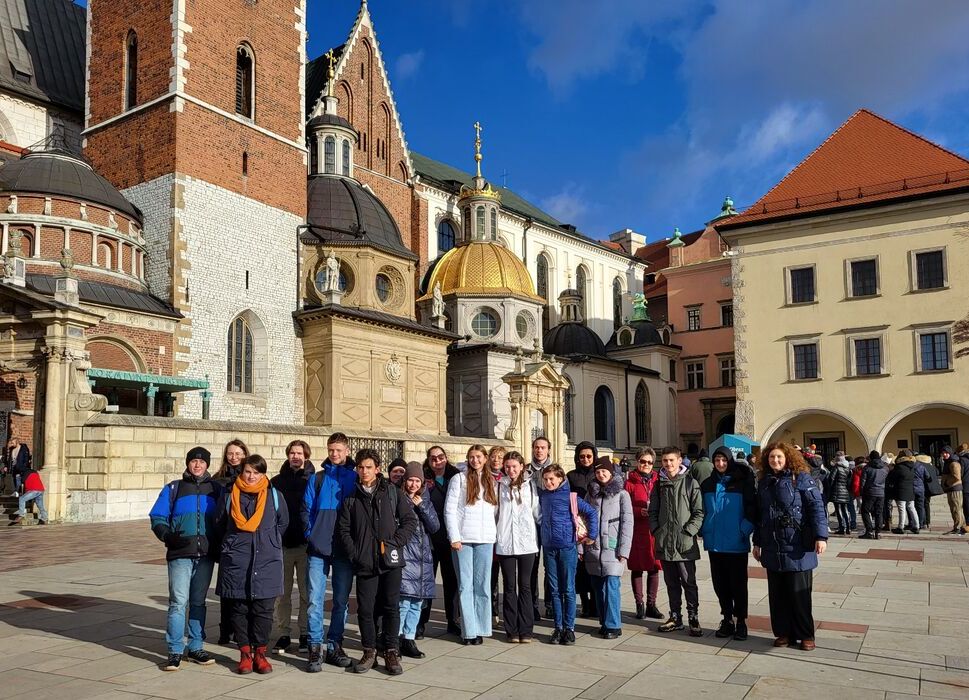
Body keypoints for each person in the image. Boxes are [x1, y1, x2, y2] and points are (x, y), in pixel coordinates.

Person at [337, 449, 417, 675]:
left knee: (391, 606)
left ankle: (391, 651)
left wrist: (395, 543)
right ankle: (369, 651)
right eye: (361, 467)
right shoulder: (351, 497)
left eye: (369, 467)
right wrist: (355, 553)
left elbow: (409, 521)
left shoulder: (391, 492)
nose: (364, 471)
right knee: (366, 609)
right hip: (365, 562)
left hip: (390, 561)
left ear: (377, 469)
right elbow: (344, 530)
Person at [149, 447, 222, 671]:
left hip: (205, 555)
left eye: (202, 462)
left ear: (207, 464)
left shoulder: (215, 489)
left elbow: (223, 518)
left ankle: (196, 646)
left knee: (198, 602)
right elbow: (157, 516)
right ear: (188, 463)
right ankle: (175, 650)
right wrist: (167, 535)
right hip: (180, 553)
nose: (197, 465)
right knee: (178, 602)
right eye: (193, 461)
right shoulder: (174, 488)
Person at [753, 442, 828, 652]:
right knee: (777, 595)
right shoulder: (764, 482)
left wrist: (821, 536)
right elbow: (761, 516)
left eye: (779, 457)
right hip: (773, 545)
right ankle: (783, 632)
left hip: (797, 546)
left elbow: (816, 507)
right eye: (771, 457)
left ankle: (805, 634)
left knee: (799, 594)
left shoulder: (801, 478)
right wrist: (757, 542)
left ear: (788, 458)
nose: (775, 460)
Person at [217, 454, 288, 674]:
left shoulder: (274, 495)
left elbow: (282, 523)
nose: (251, 476)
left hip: (267, 561)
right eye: (247, 471)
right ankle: (245, 653)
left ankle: (260, 653)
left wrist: (268, 542)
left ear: (263, 474)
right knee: (239, 609)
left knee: (263, 610)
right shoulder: (229, 495)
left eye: (256, 472)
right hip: (237, 560)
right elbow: (219, 524)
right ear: (241, 472)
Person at [301, 433, 358, 672]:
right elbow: (306, 509)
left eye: (338, 450)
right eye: (331, 450)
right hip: (318, 548)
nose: (334, 454)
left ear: (347, 451)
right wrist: (311, 535)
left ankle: (335, 644)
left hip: (344, 549)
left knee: (340, 601)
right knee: (315, 600)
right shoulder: (318, 478)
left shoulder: (355, 478)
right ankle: (315, 646)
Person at [699, 448, 756, 641]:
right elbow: (701, 509)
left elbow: (752, 508)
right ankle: (727, 618)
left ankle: (741, 621)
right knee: (720, 584)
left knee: (738, 584)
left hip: (736, 542)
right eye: (717, 460)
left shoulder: (742, 481)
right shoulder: (707, 483)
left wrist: (744, 529)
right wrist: (704, 528)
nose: (720, 463)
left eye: (724, 460)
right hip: (715, 542)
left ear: (729, 461)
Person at [538, 463, 598, 645]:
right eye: (545, 479)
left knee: (568, 589)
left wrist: (592, 535)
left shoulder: (570, 497)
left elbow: (591, 512)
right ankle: (558, 627)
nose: (548, 483)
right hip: (549, 548)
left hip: (567, 547)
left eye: (551, 479)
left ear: (561, 479)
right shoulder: (543, 496)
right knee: (554, 589)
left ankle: (569, 628)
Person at [445, 444, 498, 645]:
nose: (475, 460)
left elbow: (494, 510)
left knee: (482, 585)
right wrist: (454, 537)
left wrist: (492, 534)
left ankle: (481, 628)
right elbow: (450, 510)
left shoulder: (491, 480)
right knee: (465, 585)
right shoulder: (459, 479)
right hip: (464, 539)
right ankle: (468, 631)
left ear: (485, 458)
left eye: (478, 457)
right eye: (472, 457)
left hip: (485, 539)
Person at [649, 446, 704, 637]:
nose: (668, 464)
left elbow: (699, 512)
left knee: (689, 582)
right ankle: (675, 617)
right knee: (671, 583)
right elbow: (653, 511)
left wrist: (689, 532)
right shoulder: (659, 484)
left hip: (684, 543)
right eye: (665, 460)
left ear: (679, 461)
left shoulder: (690, 483)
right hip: (665, 542)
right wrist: (656, 530)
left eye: (671, 460)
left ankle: (693, 617)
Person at [270, 440, 315, 654]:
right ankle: (284, 633)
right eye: (292, 453)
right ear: (288, 455)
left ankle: (305, 632)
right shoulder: (276, 482)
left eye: (299, 453)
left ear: (306, 456)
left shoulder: (313, 480)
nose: (296, 457)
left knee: (307, 593)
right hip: (283, 545)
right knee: (283, 593)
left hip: (306, 545)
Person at [584, 457, 633, 639]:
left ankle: (613, 625)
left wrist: (624, 550)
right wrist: (581, 548)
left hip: (613, 547)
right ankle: (604, 622)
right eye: (597, 472)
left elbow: (627, 523)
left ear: (611, 472)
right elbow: (582, 521)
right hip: (594, 548)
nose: (601, 474)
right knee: (598, 587)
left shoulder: (622, 494)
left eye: (604, 471)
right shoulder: (591, 494)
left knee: (611, 585)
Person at [496, 450, 540, 643]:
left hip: (526, 542)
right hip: (506, 542)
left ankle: (526, 629)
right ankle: (511, 630)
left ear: (522, 467)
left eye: (514, 466)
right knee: (509, 586)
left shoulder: (530, 485)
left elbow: (537, 511)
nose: (511, 470)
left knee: (525, 586)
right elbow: (495, 512)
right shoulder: (499, 485)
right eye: (507, 466)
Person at [419, 445, 461, 637]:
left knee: (451, 580)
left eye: (440, 457)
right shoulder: (423, 477)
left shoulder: (455, 476)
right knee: (427, 580)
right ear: (428, 460)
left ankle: (453, 620)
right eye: (433, 458)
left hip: (450, 535)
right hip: (429, 537)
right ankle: (421, 622)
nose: (437, 461)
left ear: (446, 458)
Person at [398, 461, 439, 659]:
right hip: (407, 556)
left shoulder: (425, 500)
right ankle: (396, 638)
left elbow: (435, 526)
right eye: (410, 480)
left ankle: (409, 638)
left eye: (417, 481)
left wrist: (421, 506)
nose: (413, 484)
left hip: (423, 558)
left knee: (417, 603)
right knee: (404, 602)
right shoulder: (399, 499)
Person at [213, 439, 249, 644]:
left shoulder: (250, 477)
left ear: (244, 455)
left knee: (243, 588)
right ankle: (225, 628)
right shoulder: (218, 480)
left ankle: (240, 628)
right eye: (230, 453)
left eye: (238, 453)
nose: (234, 457)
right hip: (226, 539)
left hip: (245, 539)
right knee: (226, 588)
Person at [623, 447, 663, 620]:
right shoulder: (629, 482)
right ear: (637, 461)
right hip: (637, 530)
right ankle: (639, 604)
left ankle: (651, 605)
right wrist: (639, 511)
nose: (646, 465)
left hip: (654, 530)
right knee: (637, 568)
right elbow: (624, 507)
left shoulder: (658, 480)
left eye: (649, 462)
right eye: (642, 461)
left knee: (654, 567)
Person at [567, 441, 599, 619]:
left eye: (589, 456)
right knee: (580, 567)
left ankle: (595, 602)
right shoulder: (571, 476)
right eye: (582, 456)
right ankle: (585, 602)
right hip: (578, 523)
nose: (585, 459)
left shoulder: (598, 473)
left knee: (594, 563)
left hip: (595, 522)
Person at [526, 437, 553, 620]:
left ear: (548, 450)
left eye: (543, 447)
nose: (539, 450)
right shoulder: (526, 470)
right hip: (531, 524)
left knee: (550, 565)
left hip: (550, 522)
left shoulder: (555, 470)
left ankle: (549, 604)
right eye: (536, 447)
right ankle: (533, 605)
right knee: (532, 566)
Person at [487, 445, 506, 625]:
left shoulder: (508, 478)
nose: (496, 460)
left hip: (504, 530)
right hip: (488, 530)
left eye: (500, 457)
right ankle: (492, 611)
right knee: (491, 573)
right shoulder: (484, 476)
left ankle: (506, 611)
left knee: (507, 574)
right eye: (493, 457)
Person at [888, 450, 919, 534]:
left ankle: (901, 527)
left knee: (902, 509)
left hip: (901, 490)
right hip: (910, 490)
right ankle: (916, 526)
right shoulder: (912, 466)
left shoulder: (899, 467)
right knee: (912, 509)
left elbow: (892, 478)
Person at [859, 454, 888, 539]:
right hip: (881, 492)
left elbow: (863, 482)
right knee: (879, 512)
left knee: (865, 511)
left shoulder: (867, 468)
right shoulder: (885, 468)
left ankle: (869, 531)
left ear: (870, 458)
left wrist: (861, 492)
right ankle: (878, 532)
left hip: (869, 492)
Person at [941, 451, 966, 535]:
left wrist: (946, 483)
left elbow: (957, 477)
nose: (944, 454)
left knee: (956, 508)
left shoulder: (953, 463)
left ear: (950, 453)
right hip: (951, 488)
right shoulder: (949, 462)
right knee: (955, 508)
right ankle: (961, 526)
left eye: (946, 453)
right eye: (943, 453)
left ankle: (958, 527)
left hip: (954, 489)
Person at [828, 454, 853, 535]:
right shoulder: (848, 468)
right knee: (845, 509)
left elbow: (831, 479)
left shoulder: (836, 468)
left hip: (837, 491)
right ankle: (848, 527)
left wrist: (830, 487)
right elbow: (849, 481)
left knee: (838, 510)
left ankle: (842, 527)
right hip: (845, 491)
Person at [918, 453, 943, 531]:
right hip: (929, 488)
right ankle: (928, 522)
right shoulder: (930, 465)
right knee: (927, 505)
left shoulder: (920, 465)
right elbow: (937, 472)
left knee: (921, 505)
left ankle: (923, 522)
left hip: (923, 487)